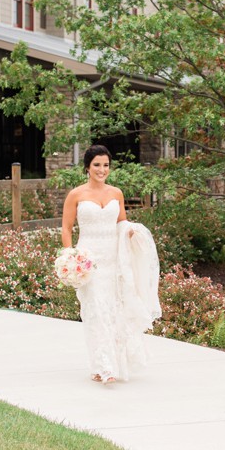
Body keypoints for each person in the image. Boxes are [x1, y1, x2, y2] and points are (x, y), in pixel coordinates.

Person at [61, 145, 161, 385]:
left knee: (114, 310)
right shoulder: (76, 194)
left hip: (114, 260)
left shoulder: (116, 193)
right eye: (97, 165)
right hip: (89, 261)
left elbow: (121, 223)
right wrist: (70, 256)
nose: (101, 170)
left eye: (105, 165)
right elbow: (66, 228)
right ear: (87, 167)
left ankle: (114, 363)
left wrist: (130, 234)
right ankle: (101, 366)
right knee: (96, 311)